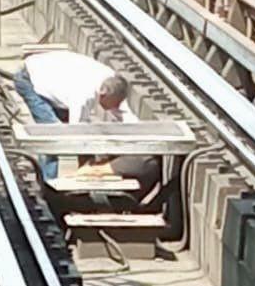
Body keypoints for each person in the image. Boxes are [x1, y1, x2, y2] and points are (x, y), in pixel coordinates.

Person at [13, 52, 159, 199]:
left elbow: (124, 114)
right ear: (102, 95)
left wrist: (142, 137)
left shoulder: (112, 81)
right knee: (53, 139)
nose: (111, 109)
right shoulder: (81, 96)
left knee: (81, 140)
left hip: (54, 78)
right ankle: (47, 189)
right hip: (30, 79)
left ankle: (82, 182)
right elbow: (76, 133)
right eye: (109, 105)